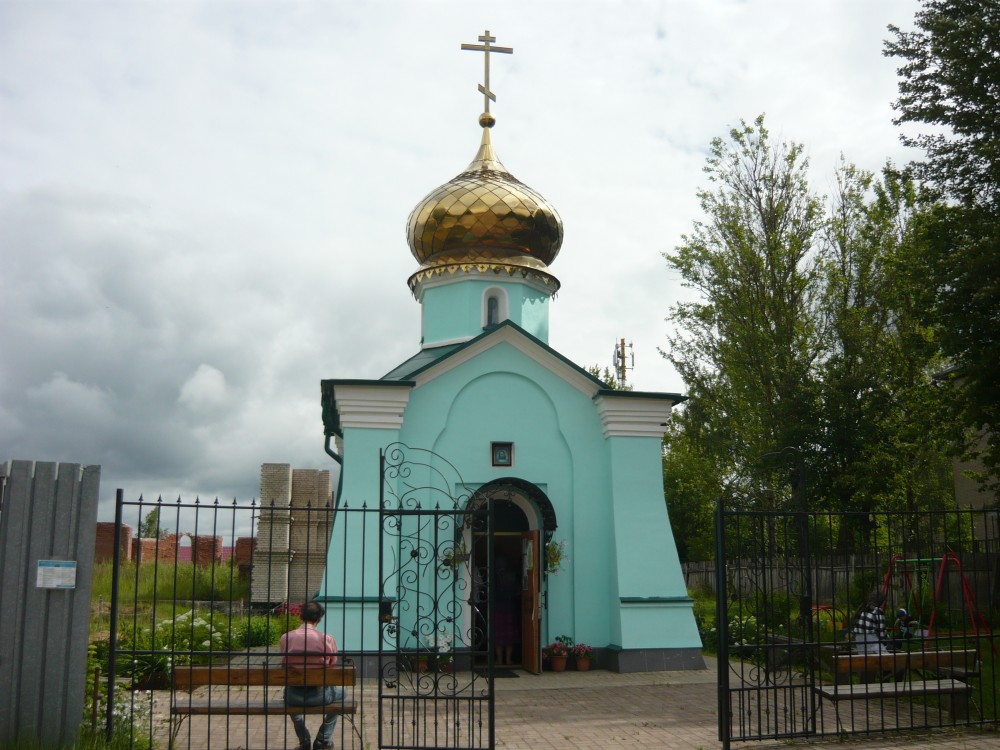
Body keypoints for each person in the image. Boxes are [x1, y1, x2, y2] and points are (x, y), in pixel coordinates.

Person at [280, 601, 344, 750]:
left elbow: (284, 663)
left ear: (301, 616)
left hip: (293, 695)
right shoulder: (326, 639)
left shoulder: (286, 638)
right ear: (319, 619)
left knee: (286, 696)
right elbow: (332, 663)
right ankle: (323, 739)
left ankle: (304, 739)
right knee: (344, 694)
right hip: (320, 695)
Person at [851, 589, 894, 653]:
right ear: (881, 601)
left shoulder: (863, 608)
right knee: (889, 658)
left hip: (859, 642)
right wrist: (887, 645)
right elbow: (881, 633)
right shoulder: (878, 611)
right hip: (872, 642)